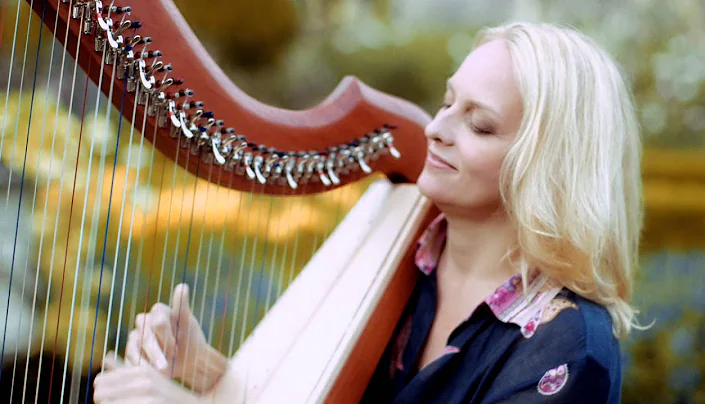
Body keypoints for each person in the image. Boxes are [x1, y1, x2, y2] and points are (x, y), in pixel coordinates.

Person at [92, 21, 643, 403]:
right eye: (448, 102)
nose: (435, 129)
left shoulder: (568, 351)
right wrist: (210, 374)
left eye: (478, 124)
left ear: (548, 166)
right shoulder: (405, 256)